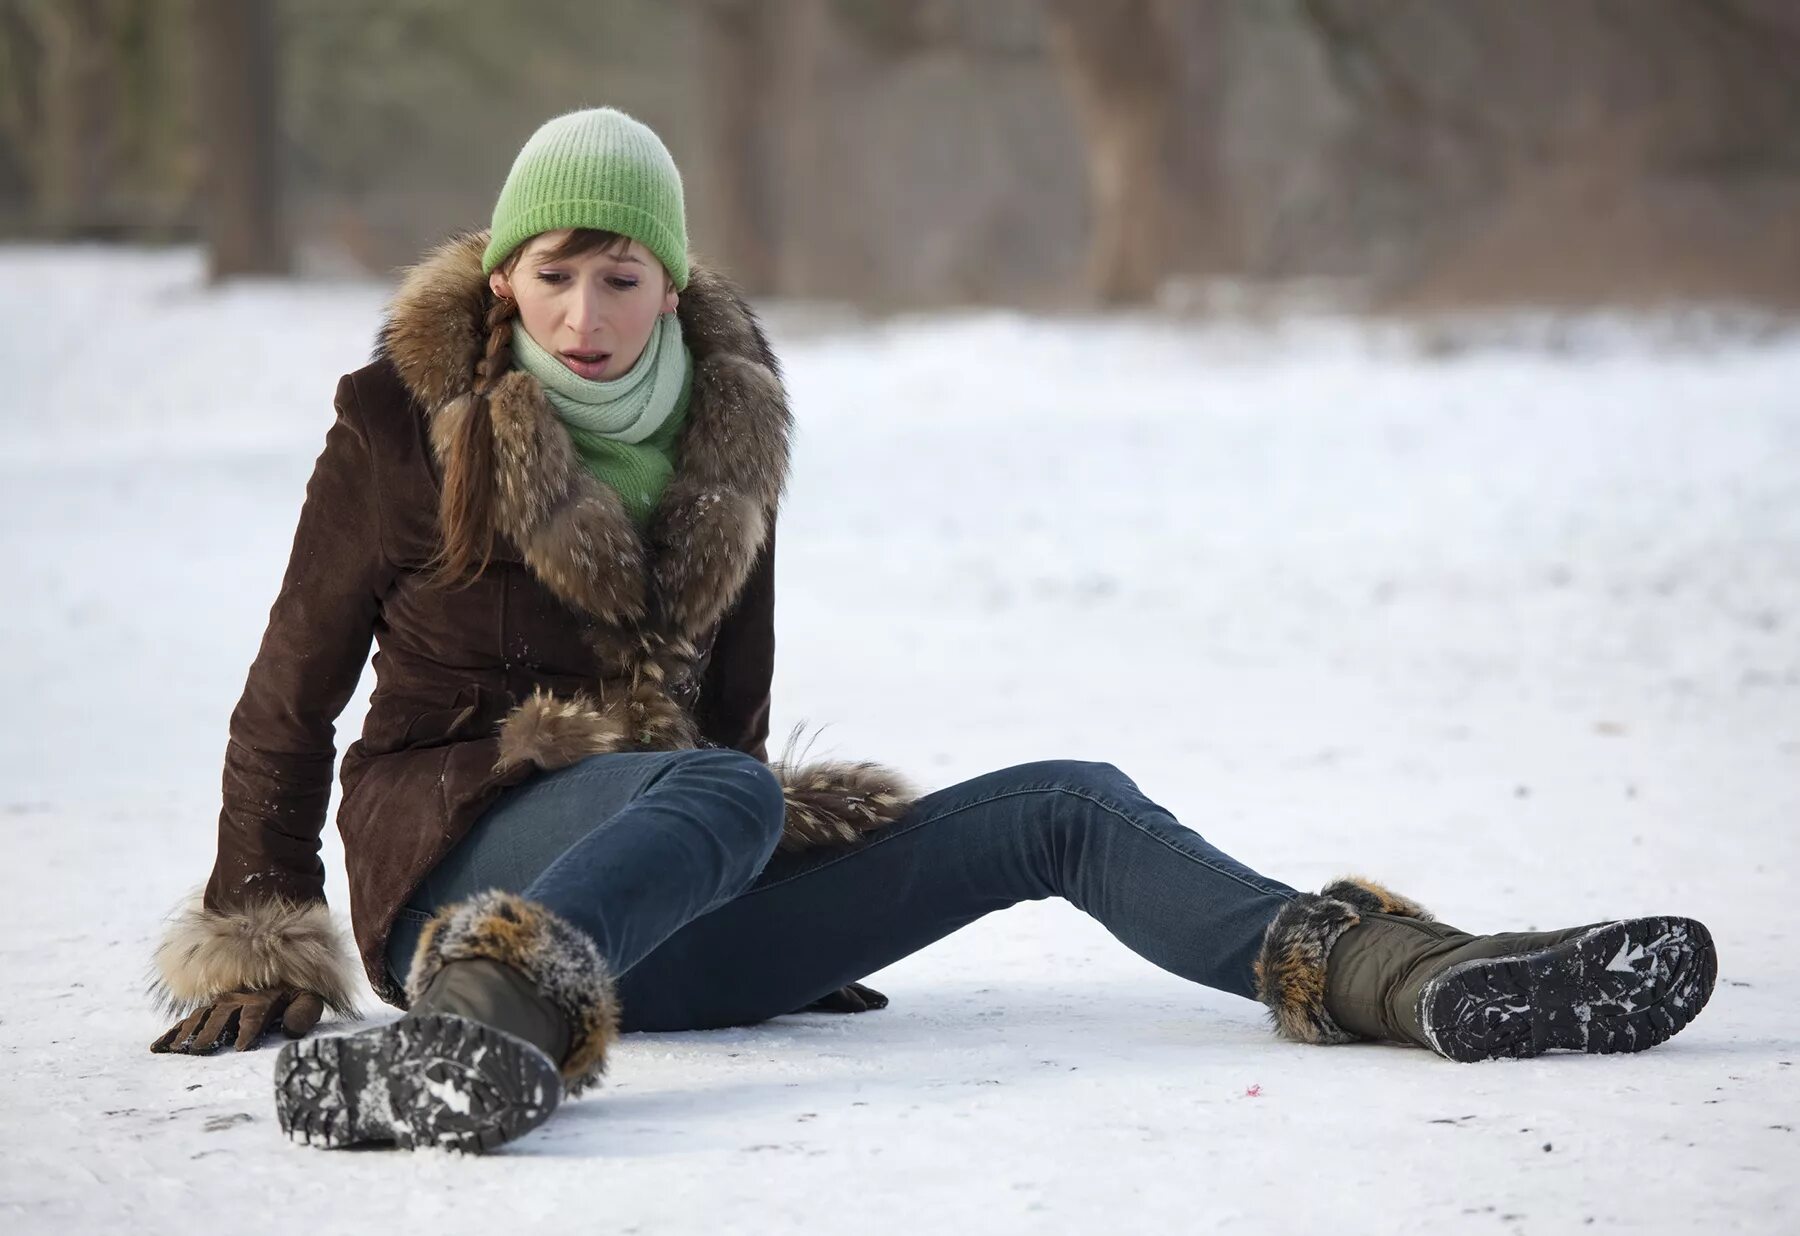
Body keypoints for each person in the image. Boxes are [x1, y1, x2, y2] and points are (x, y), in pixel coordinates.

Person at [146, 108, 1718, 1154]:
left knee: (1064, 803)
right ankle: (476, 1041)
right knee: (731, 792)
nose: (584, 313)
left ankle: (1409, 977)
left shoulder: (727, 438)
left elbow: (722, 717)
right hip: (459, 882)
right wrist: (262, 932)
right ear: (503, 281)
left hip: (657, 919)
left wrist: (762, 893)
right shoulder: (397, 426)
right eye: (553, 274)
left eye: (619, 275)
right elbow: (287, 697)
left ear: (670, 282)